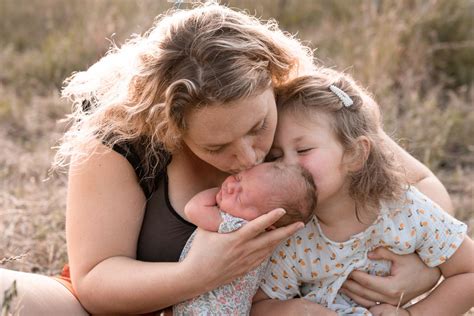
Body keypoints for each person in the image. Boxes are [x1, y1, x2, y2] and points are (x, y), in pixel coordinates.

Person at [0, 3, 454, 315]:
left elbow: (424, 190)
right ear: (168, 125)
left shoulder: (303, 109)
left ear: (272, 80)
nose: (247, 157)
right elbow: (96, 281)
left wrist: (422, 271)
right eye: (216, 147)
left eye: (259, 129)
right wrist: (200, 274)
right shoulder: (119, 140)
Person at [251, 70, 474, 315]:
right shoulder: (293, 232)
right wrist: (296, 310)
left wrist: (413, 314)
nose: (287, 165)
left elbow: (469, 271)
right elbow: (260, 305)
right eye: (276, 156)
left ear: (355, 154)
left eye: (303, 150)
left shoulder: (404, 209)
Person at [174, 162, 317, 315]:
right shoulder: (260, 240)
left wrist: (217, 191)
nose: (230, 187)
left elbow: (193, 208)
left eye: (241, 198)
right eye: (238, 178)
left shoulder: (239, 227)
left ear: (267, 223)